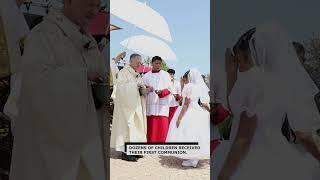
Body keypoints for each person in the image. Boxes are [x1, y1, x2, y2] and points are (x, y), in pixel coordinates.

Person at [9, 0, 107, 179]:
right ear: (68, 1)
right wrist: (82, 77)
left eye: (98, 6)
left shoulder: (87, 39)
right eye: (89, 4)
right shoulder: (42, 35)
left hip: (86, 134)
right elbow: (36, 85)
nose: (94, 12)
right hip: (51, 146)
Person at [217, 22, 320, 180]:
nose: (238, 66)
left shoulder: (253, 82)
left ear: (251, 54)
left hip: (249, 160)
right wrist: (231, 73)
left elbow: (243, 139)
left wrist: (222, 176)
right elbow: (303, 135)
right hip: (276, 155)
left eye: (239, 60)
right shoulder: (282, 84)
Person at [110, 53, 151, 162]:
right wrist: (135, 86)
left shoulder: (137, 74)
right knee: (128, 128)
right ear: (131, 61)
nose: (139, 64)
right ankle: (126, 153)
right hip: (126, 108)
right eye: (138, 62)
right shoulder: (124, 72)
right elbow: (120, 89)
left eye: (140, 62)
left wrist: (146, 90)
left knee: (137, 129)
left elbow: (140, 91)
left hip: (136, 107)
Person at [166, 69, 210, 167]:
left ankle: (192, 159)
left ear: (188, 77)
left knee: (187, 133)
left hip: (189, 111)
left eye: (185, 77)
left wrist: (179, 118)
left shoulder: (189, 87)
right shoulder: (199, 87)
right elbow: (204, 103)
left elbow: (185, 104)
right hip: (198, 112)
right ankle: (194, 158)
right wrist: (210, 111)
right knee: (197, 135)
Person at [0, 0, 30, 133]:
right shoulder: (8, 7)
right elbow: (28, 42)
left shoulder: (12, 9)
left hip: (10, 74)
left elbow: (28, 41)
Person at [143, 56, 173, 142]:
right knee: (151, 125)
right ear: (152, 63)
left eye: (160, 63)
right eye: (156, 63)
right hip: (150, 103)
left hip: (162, 105)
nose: (158, 65)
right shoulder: (146, 76)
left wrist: (162, 92)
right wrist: (147, 88)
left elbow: (170, 89)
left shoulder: (166, 75)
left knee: (162, 126)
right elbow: (142, 88)